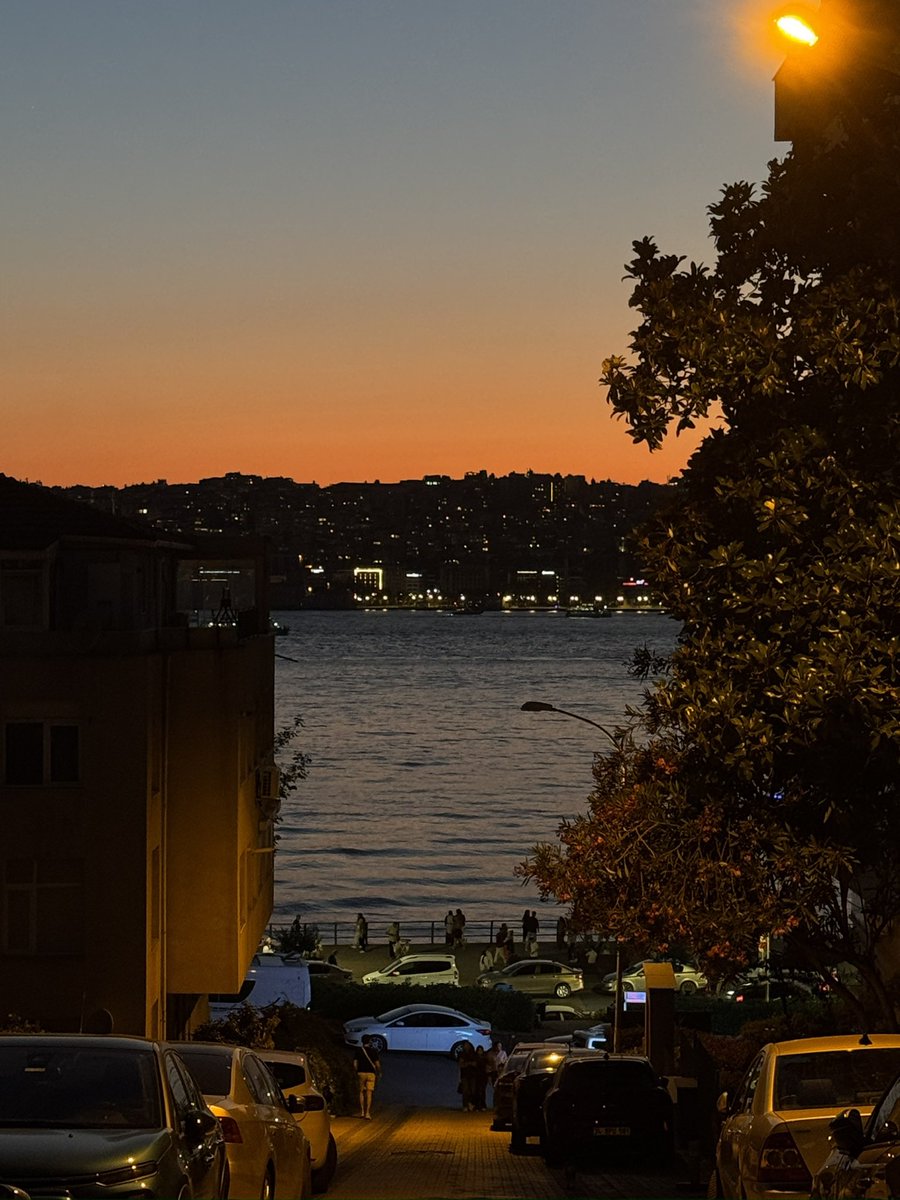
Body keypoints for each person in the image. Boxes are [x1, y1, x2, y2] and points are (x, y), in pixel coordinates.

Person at [353, 1035, 381, 1119]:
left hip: (361, 1073)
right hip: (371, 1074)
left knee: (361, 1092)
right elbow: (377, 1064)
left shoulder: (358, 1051)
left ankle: (362, 1112)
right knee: (369, 1093)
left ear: (362, 1041)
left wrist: (356, 1071)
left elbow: (355, 1063)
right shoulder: (373, 1051)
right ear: (369, 1041)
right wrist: (379, 1072)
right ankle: (368, 1113)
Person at [457, 1042, 478, 1111]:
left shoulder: (473, 1054)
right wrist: (469, 1063)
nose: (466, 1046)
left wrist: (467, 1063)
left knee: (473, 1090)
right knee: (465, 1091)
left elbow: (475, 1064)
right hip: (465, 1075)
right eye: (465, 1045)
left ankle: (471, 1103)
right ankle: (465, 1105)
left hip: (473, 1075)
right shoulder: (461, 1054)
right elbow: (461, 1065)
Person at [473, 1045, 489, 1111]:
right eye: (479, 1050)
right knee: (477, 1091)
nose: (480, 1052)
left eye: (481, 1050)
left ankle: (483, 1105)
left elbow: (487, 1067)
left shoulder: (484, 1059)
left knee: (482, 1091)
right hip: (477, 1076)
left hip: (483, 1076)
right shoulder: (475, 1058)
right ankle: (477, 1105)